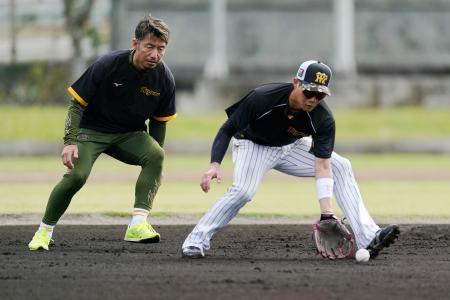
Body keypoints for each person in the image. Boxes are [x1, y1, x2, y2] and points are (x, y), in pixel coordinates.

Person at [181, 60, 399, 259]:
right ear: (296, 83)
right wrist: (214, 165)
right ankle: (196, 240)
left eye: (320, 95)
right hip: (253, 145)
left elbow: (322, 165)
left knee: (341, 166)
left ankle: (368, 237)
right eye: (309, 92)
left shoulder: (323, 118)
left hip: (291, 147)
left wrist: (327, 214)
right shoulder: (262, 97)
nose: (313, 99)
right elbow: (227, 129)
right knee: (243, 191)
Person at [28, 15, 176, 251]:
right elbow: (76, 105)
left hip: (130, 135)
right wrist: (69, 142)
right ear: (135, 43)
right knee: (77, 176)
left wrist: (156, 160)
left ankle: (138, 225)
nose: (155, 54)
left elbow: (159, 123)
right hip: (91, 131)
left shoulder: (164, 78)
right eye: (149, 47)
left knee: (157, 154)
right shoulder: (108, 64)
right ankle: (43, 232)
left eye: (161, 49)